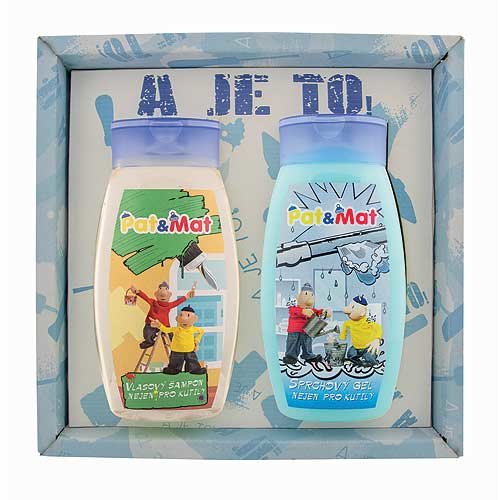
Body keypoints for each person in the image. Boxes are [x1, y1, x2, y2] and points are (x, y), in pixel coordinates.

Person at [130, 281, 195, 349]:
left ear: (169, 295)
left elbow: (177, 302)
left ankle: (177, 344)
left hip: (164, 325)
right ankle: (149, 342)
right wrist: (137, 292)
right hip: (152, 324)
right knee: (147, 332)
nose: (163, 296)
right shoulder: (153, 302)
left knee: (171, 334)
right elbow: (145, 297)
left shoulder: (169, 305)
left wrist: (186, 296)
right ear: (156, 294)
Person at [283, 283, 331, 365]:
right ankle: (291, 357)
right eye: (305, 294)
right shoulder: (295, 307)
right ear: (298, 297)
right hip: (295, 330)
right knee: (293, 343)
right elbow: (292, 311)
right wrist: (303, 311)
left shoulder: (311, 309)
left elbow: (317, 312)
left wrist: (324, 312)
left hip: (307, 330)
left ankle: (308, 355)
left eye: (312, 296)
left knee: (307, 343)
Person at [150, 306, 206, 375]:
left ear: (195, 319)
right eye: (181, 315)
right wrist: (159, 325)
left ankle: (194, 369)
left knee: (192, 362)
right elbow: (166, 330)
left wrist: (196, 341)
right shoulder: (176, 329)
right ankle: (173, 369)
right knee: (175, 363)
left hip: (189, 350)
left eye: (188, 316)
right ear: (177, 318)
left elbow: (201, 331)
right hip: (177, 350)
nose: (184, 319)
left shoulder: (194, 329)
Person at [340, 295, 383, 366]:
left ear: (362, 312)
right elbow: (345, 326)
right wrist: (342, 337)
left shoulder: (367, 321)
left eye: (352, 307)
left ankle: (370, 362)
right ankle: (357, 361)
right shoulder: (349, 323)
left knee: (369, 356)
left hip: (367, 347)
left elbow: (377, 327)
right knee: (350, 354)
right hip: (355, 347)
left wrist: (377, 339)